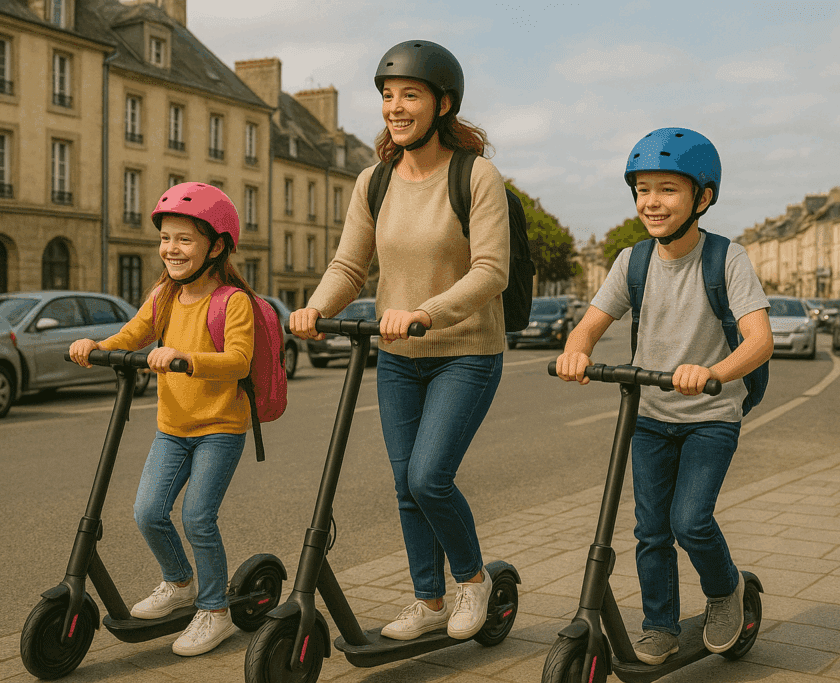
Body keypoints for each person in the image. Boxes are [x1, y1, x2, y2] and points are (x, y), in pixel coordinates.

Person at [289, 40, 509, 642]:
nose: (396, 107)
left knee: (428, 477)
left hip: (465, 351)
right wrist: (313, 308)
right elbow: (348, 266)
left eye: (410, 95)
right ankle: (428, 601)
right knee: (404, 486)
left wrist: (425, 313)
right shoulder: (374, 180)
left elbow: (491, 270)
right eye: (388, 97)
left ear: (442, 104)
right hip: (397, 358)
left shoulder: (476, 175)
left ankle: (472, 581)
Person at [555, 128, 772, 665]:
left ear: (702, 197)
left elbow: (760, 340)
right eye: (642, 189)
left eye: (668, 190)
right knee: (650, 530)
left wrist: (714, 372)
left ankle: (726, 593)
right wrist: (576, 351)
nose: (651, 201)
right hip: (650, 415)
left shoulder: (727, 259)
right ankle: (660, 626)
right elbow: (590, 323)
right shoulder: (634, 261)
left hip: (710, 417)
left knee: (690, 520)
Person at [68, 182, 257, 657]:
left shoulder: (232, 301)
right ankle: (180, 582)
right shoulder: (164, 296)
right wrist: (99, 348)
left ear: (216, 246)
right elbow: (132, 333)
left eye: (184, 239)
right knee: (148, 512)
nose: (171, 249)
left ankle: (215, 611)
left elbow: (238, 361)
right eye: (166, 238)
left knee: (197, 517)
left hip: (219, 428)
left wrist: (186, 358)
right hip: (172, 429)